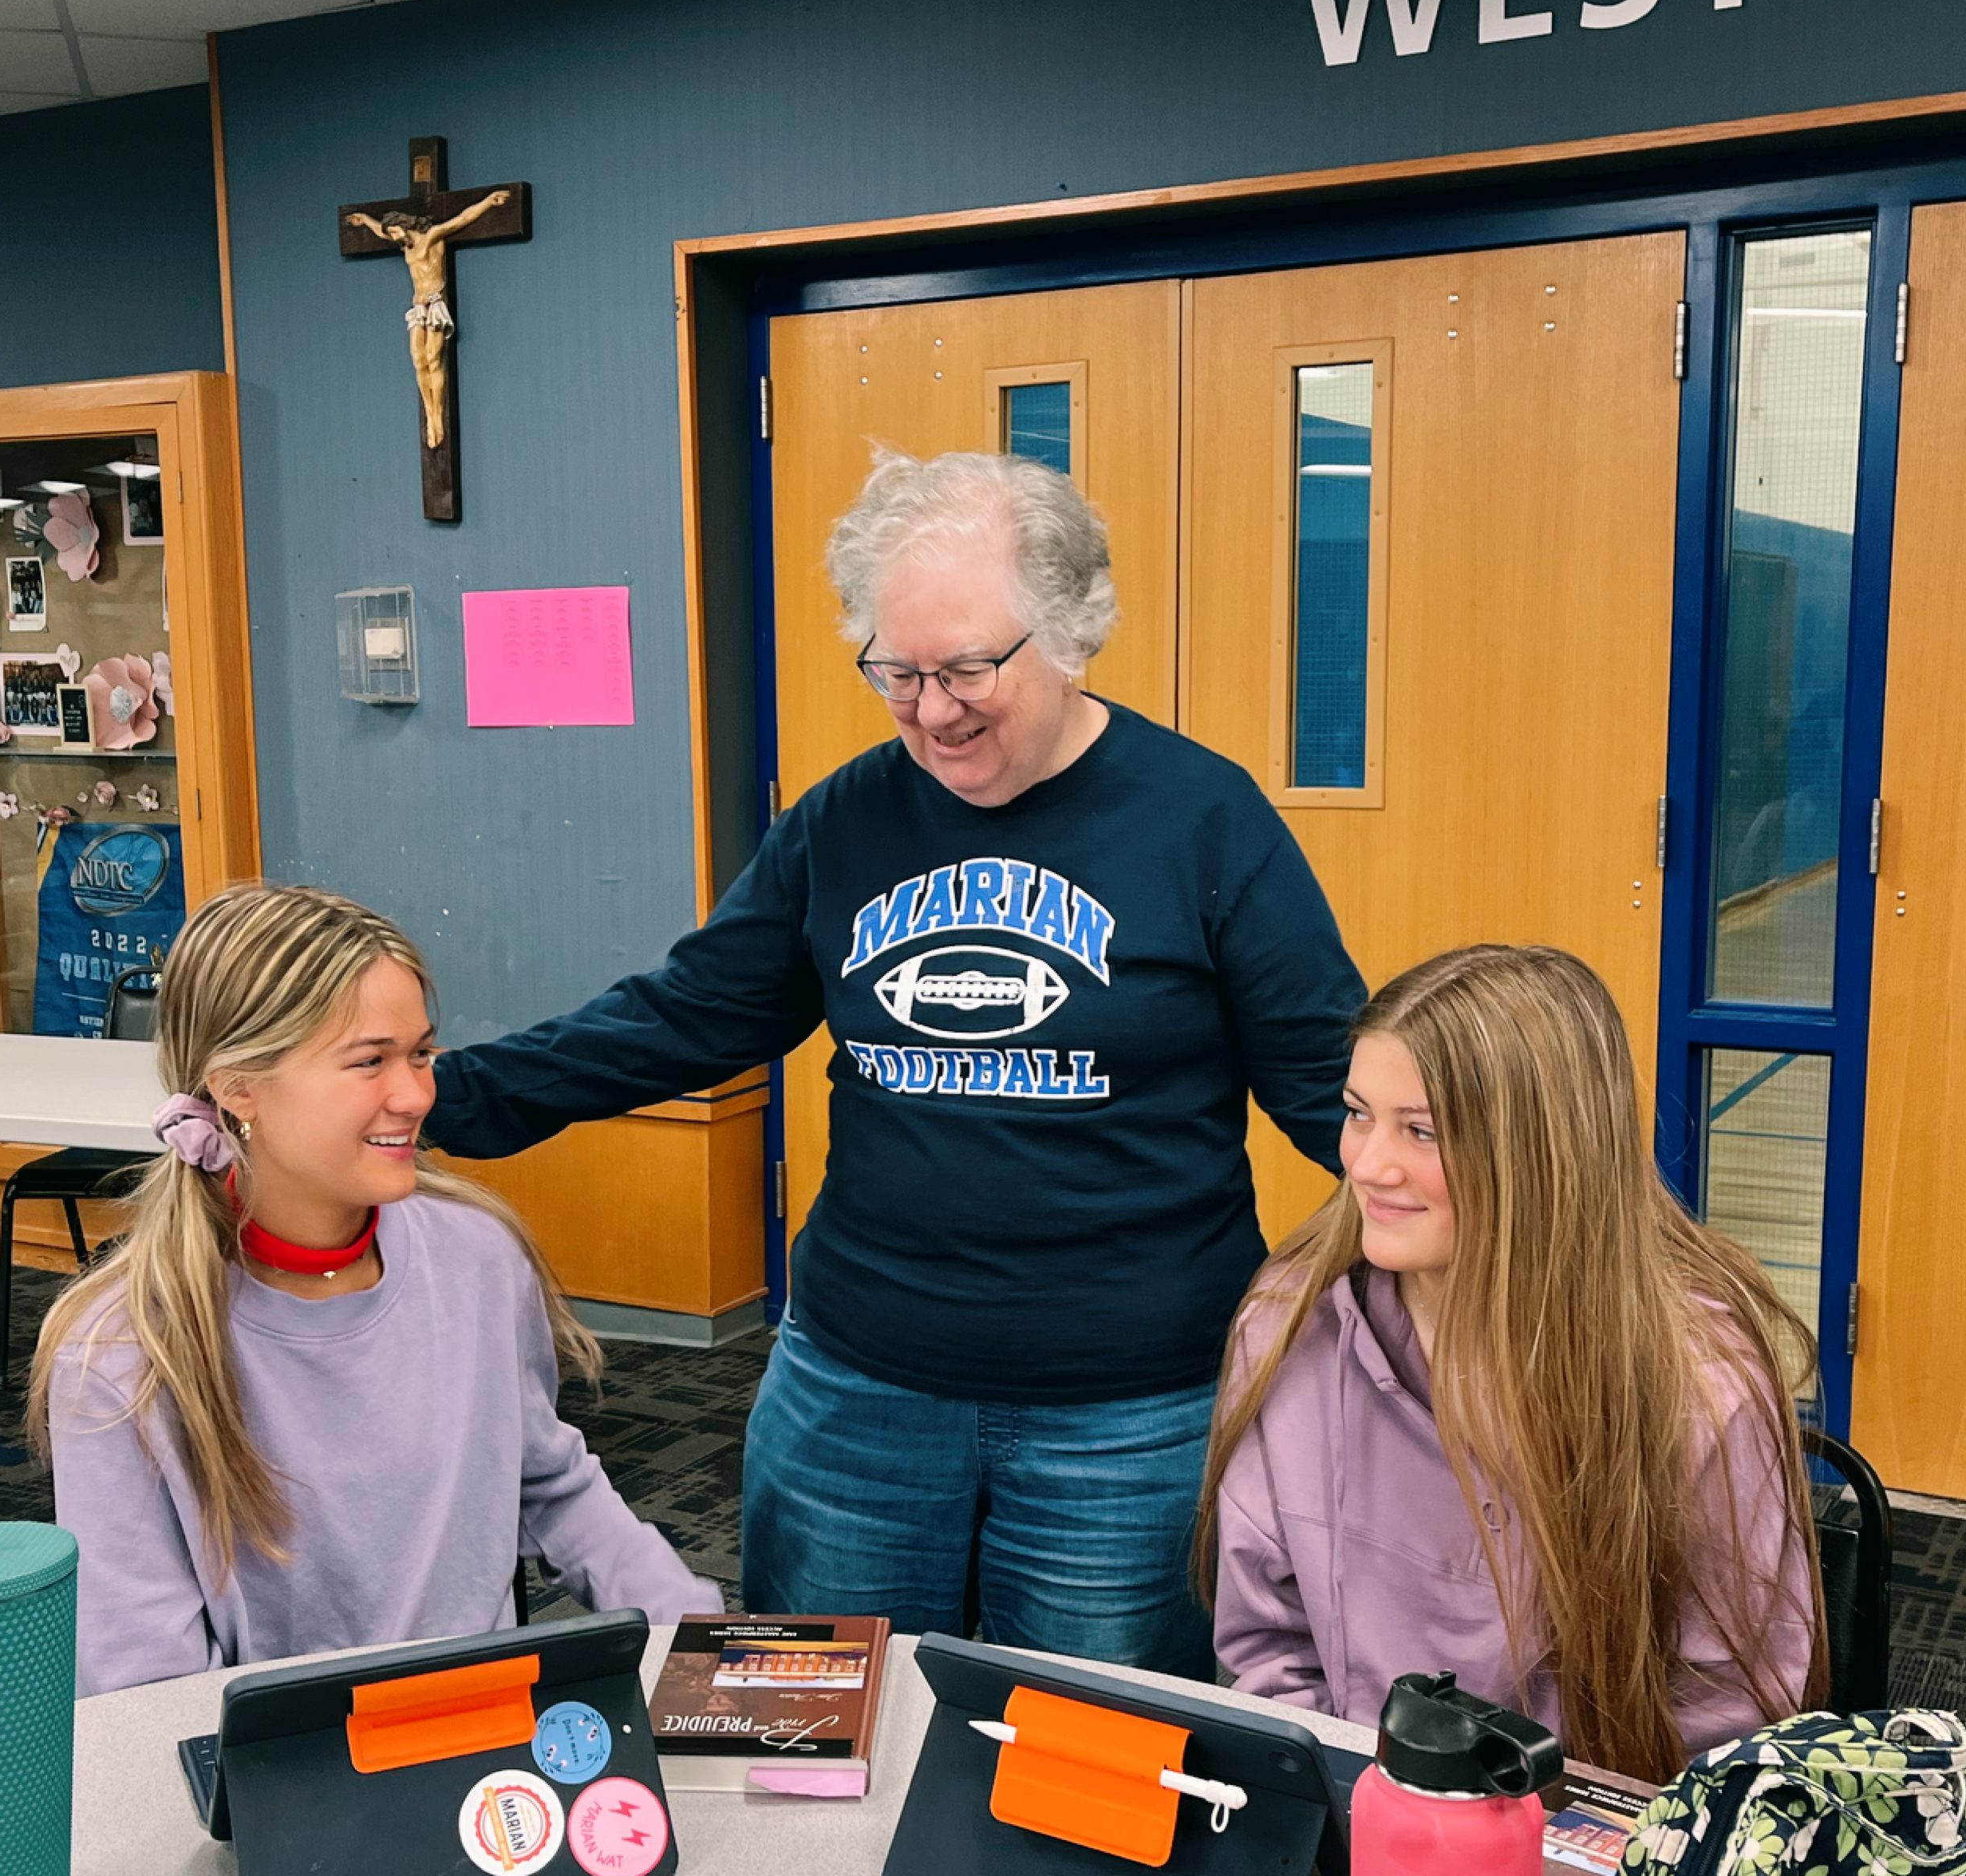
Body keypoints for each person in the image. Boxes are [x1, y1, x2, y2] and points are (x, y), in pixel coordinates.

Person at [425, 447, 1364, 1677]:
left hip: (1131, 1418)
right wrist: (440, 1099)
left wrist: (1519, 1226)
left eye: (970, 667)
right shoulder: (844, 820)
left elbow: (1328, 1086)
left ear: (1074, 631)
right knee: (807, 1744)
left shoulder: (1205, 820)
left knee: (1090, 1778)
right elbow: (689, 1015)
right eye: (897, 671)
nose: (932, 710)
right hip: (855, 1395)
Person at [34, 881, 719, 1696]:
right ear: (238, 1086)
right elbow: (139, 1674)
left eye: (421, 1054)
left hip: (487, 1766)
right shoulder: (121, 1352)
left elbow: (550, 1483)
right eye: (369, 1062)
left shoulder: (477, 1255)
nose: (418, 1095)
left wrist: (702, 1643)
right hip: (283, 1789)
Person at [1200, 943, 1824, 1776]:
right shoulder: (1287, 1330)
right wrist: (1358, 1825)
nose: (1366, 1165)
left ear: (1536, 1153)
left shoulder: (1696, 1382)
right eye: (1358, 1113)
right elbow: (1268, 1645)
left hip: (1594, 1868)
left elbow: (1730, 1722)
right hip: (1360, 1843)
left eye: (1420, 1130)